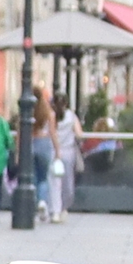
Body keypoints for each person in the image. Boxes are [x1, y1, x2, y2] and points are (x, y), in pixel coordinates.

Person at [50, 93, 81, 222]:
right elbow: (79, 133)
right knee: (67, 183)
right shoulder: (71, 116)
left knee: (54, 182)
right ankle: (63, 208)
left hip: (53, 152)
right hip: (68, 152)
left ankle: (55, 211)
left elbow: (51, 133)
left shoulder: (51, 116)